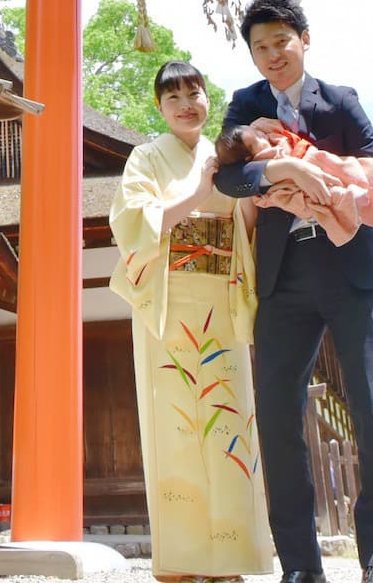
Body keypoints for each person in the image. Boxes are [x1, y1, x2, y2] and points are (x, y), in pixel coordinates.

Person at [213, 0, 373, 583]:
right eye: (260, 48)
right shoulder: (245, 108)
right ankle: (300, 566)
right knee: (276, 418)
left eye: (281, 42)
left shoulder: (340, 101)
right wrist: (277, 167)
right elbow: (226, 174)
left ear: (304, 38)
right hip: (282, 276)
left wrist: (317, 167)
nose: (272, 55)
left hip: (350, 271)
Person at [108, 61, 274, 583]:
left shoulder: (224, 154)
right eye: (173, 96)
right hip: (169, 301)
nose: (186, 103)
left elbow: (246, 225)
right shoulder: (146, 157)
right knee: (174, 424)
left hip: (221, 298)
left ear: (207, 98)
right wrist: (201, 193)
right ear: (159, 107)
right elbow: (132, 222)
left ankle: (230, 557)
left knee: (229, 423)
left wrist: (249, 201)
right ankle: (179, 557)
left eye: (194, 92)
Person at [213, 123, 373, 247]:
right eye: (258, 139)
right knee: (326, 195)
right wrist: (289, 168)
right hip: (284, 260)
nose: (263, 135)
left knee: (348, 169)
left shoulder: (340, 100)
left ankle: (371, 188)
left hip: (350, 263)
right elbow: (227, 178)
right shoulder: (246, 105)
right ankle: (347, 198)